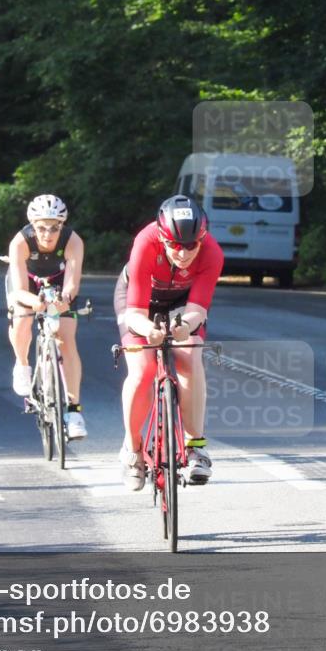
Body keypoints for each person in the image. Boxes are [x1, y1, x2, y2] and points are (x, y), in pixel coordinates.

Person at [113, 194, 223, 490]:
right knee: (142, 370)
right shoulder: (145, 243)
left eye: (191, 245)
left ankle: (195, 446)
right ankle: (133, 451)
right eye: (175, 245)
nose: (183, 252)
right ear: (162, 237)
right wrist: (149, 329)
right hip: (140, 302)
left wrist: (185, 327)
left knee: (189, 356)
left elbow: (198, 309)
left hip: (183, 303)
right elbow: (135, 312)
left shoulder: (212, 252)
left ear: (202, 239)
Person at [5, 194, 87, 440]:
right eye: (41, 227)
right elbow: (19, 290)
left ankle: (73, 411)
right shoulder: (20, 242)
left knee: (66, 337)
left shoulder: (73, 241)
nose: (48, 234)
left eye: (54, 227)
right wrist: (36, 303)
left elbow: (72, 284)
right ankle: (22, 364)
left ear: (62, 225)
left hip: (58, 283)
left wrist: (63, 301)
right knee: (22, 319)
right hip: (27, 284)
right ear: (32, 225)